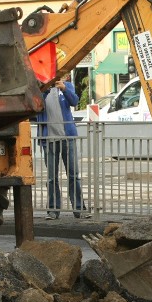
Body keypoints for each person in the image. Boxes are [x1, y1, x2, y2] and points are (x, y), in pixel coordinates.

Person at [36, 74, 90, 220]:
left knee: (73, 175)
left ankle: (79, 209)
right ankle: (53, 210)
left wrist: (65, 88)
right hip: (49, 139)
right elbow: (35, 107)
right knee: (51, 178)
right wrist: (44, 90)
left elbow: (74, 101)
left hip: (68, 137)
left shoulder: (66, 86)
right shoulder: (41, 90)